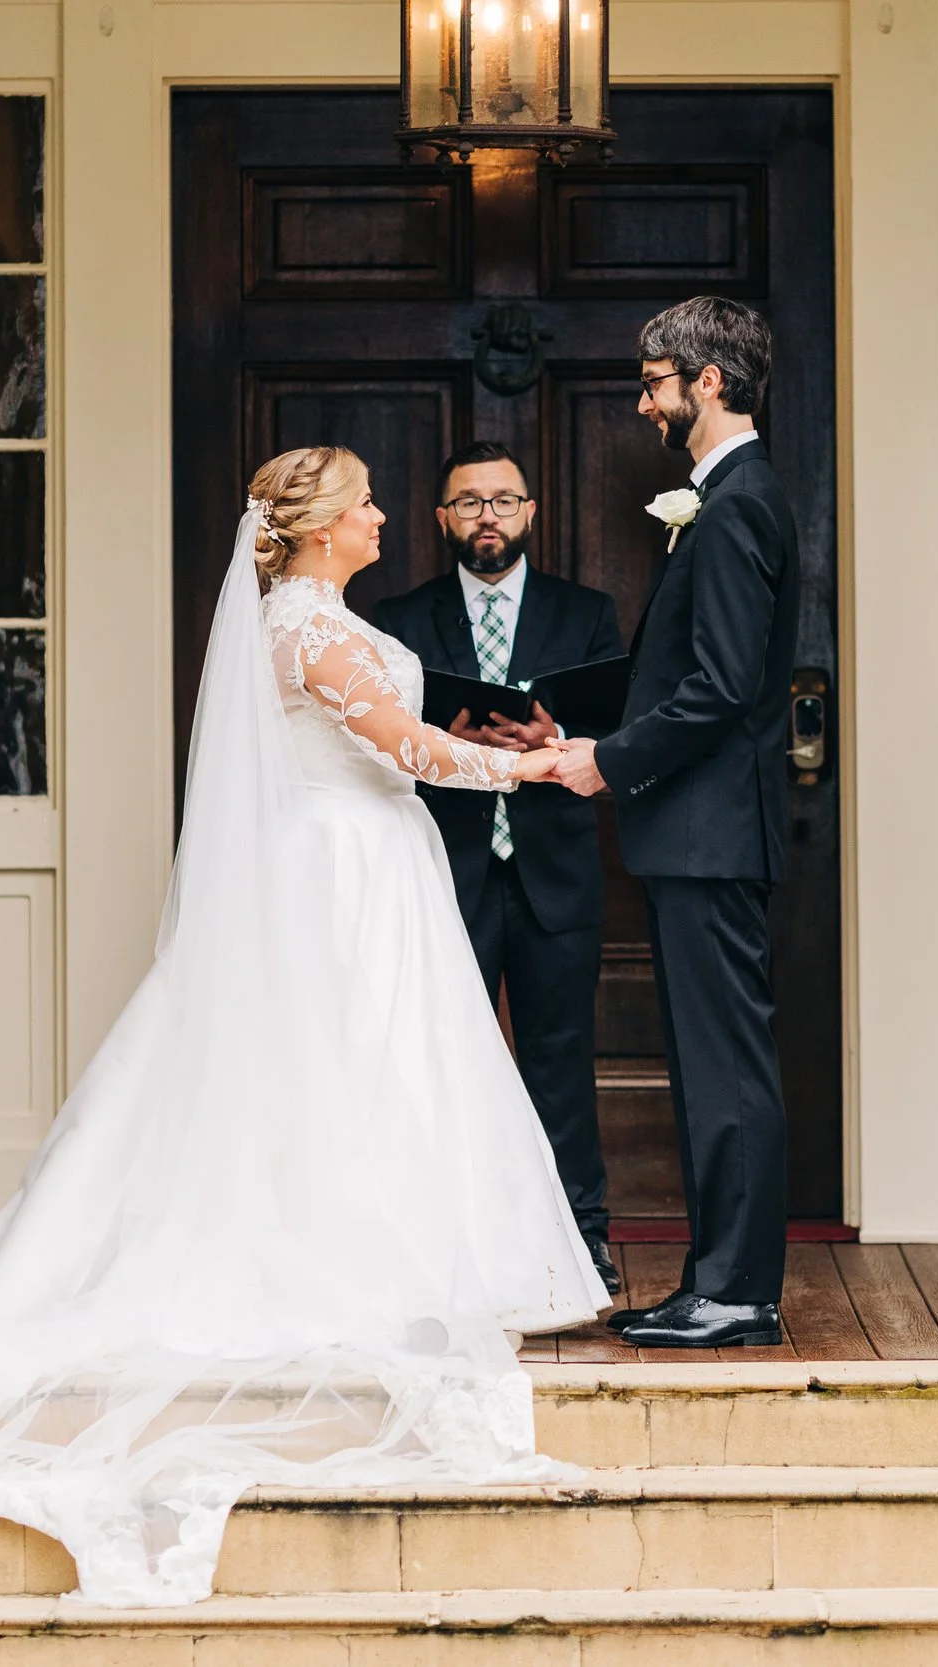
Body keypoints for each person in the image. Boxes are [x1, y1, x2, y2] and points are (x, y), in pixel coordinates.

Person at [0, 446, 607, 1605]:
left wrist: (496, 745)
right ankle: (327, 1261)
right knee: (332, 1066)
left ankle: (382, 1249)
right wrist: (551, 768)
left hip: (374, 857)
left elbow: (404, 740)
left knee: (375, 1071)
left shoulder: (324, 618)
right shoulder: (302, 632)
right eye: (363, 502)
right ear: (317, 530)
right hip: (334, 867)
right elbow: (403, 749)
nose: (379, 515)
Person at [554, 296, 799, 1350]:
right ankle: (718, 1279)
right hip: (695, 832)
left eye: (655, 378)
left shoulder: (738, 502)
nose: (643, 397)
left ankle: (737, 1290)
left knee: (724, 1066)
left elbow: (722, 688)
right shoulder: (725, 495)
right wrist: (573, 716)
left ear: (708, 381)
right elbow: (685, 672)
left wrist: (606, 762)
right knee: (710, 1066)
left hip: (709, 834)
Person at [373, 442, 627, 1296]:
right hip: (446, 868)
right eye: (470, 501)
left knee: (562, 1057)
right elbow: (376, 744)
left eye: (504, 499)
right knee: (443, 1059)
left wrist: (548, 739)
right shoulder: (398, 617)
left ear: (530, 513)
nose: (488, 514)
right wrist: (456, 745)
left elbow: (611, 727)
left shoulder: (586, 611)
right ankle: (447, 1246)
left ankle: (582, 1239)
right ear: (443, 518)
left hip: (554, 863)